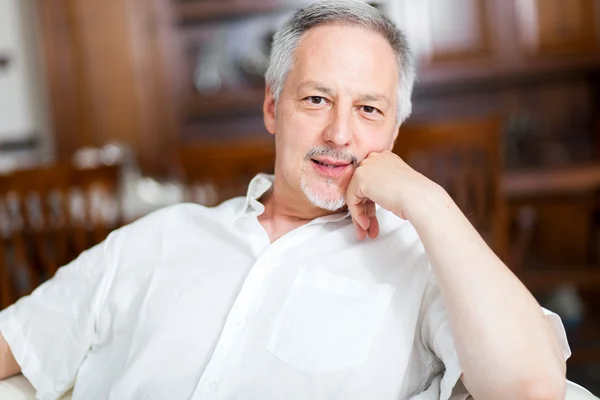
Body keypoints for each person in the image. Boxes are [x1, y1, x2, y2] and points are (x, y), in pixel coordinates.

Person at [0, 1, 570, 399]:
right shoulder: (159, 237)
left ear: (395, 133)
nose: (340, 134)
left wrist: (427, 198)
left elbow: (532, 389)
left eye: (369, 109)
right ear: (273, 108)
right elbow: (18, 341)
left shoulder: (423, 267)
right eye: (317, 99)